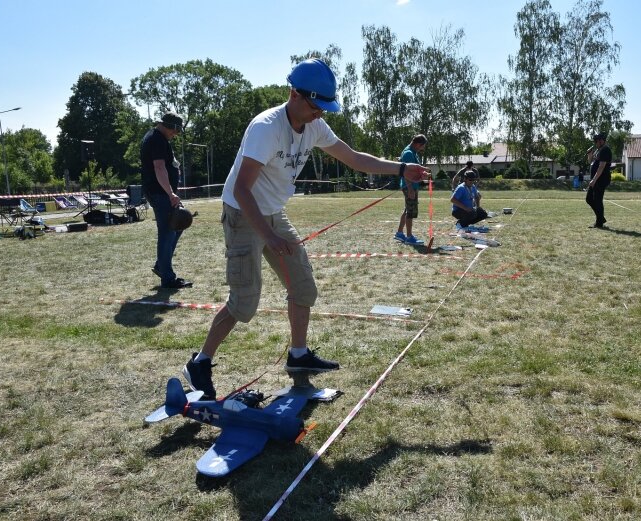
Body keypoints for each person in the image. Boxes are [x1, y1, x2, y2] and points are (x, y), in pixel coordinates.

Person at [182, 59, 431, 400]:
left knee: (303, 288)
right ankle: (199, 362)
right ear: (294, 95)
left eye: (325, 108)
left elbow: (355, 158)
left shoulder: (314, 126)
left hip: (273, 212)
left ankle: (298, 356)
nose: (320, 114)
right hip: (243, 213)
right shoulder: (266, 128)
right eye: (316, 106)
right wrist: (268, 235)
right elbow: (241, 189)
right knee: (244, 304)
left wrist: (402, 168)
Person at [140, 111, 192, 289]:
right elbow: (159, 167)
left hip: (161, 193)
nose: (175, 135)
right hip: (161, 194)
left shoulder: (157, 138)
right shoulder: (156, 139)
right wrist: (170, 194)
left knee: (178, 225)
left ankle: (161, 265)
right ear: (169, 126)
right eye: (175, 131)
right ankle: (167, 278)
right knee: (168, 232)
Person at [394, 134, 428, 245]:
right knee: (410, 211)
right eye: (422, 146)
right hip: (409, 186)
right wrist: (410, 189)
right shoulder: (408, 153)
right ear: (418, 144)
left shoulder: (412, 152)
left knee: (407, 209)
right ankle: (409, 237)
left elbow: (413, 169)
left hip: (412, 186)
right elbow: (406, 172)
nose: (422, 149)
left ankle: (399, 233)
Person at [586, 133, 612, 228]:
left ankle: (599, 222)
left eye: (596, 141)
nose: (595, 143)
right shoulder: (598, 150)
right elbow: (590, 162)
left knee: (597, 200)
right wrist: (589, 155)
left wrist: (594, 180)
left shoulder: (605, 150)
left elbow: (601, 166)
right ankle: (601, 218)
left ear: (601, 140)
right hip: (596, 179)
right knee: (589, 199)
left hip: (601, 179)